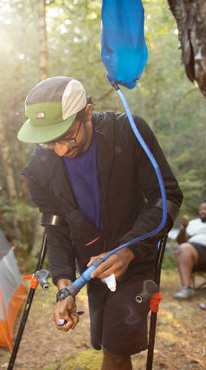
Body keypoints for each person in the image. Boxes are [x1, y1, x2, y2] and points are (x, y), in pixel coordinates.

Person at [17, 76, 183, 369]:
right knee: (106, 340)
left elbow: (166, 198)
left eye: (67, 136)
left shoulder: (128, 132)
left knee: (117, 346)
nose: (59, 150)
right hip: (91, 263)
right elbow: (56, 228)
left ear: (88, 113)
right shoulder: (41, 166)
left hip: (136, 252)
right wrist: (64, 284)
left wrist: (128, 250)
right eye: (49, 140)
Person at [173, 200, 206, 300]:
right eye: (201, 210)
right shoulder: (193, 224)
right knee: (183, 248)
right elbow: (181, 241)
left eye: (205, 209)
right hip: (196, 251)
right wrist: (184, 227)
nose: (202, 212)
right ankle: (186, 289)